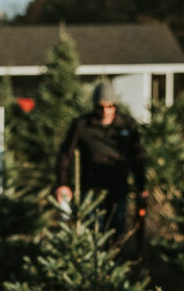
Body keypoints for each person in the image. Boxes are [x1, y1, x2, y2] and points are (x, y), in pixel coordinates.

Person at [55, 81, 149, 240]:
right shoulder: (82, 125)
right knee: (91, 230)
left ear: (115, 105)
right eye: (101, 107)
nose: (105, 111)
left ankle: (115, 260)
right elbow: (65, 154)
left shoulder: (127, 125)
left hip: (118, 188)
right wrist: (63, 183)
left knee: (116, 229)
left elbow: (137, 156)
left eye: (110, 106)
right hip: (91, 189)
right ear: (94, 106)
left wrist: (142, 186)